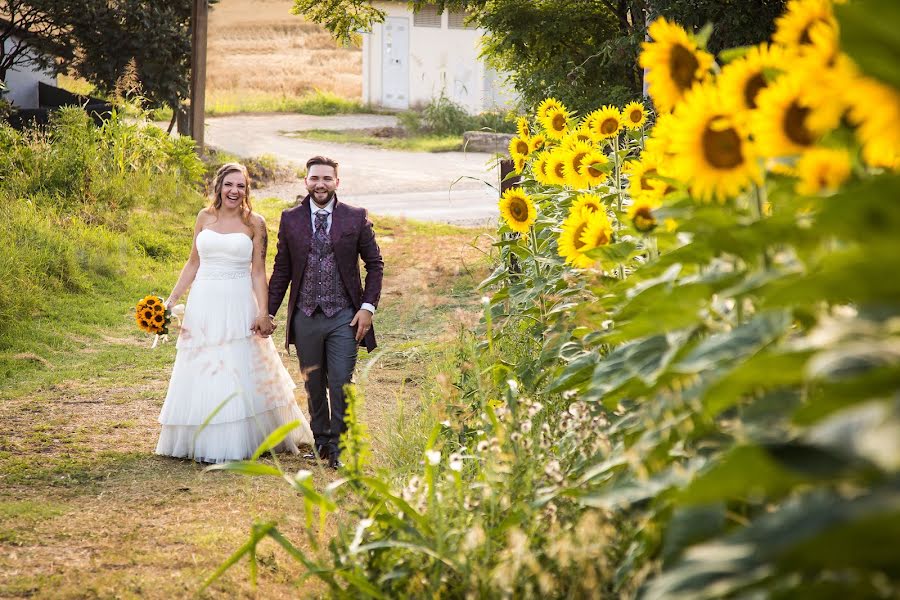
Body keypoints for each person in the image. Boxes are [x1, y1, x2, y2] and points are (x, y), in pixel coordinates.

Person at [155, 162, 314, 464]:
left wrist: (264, 312)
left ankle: (243, 437)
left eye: (241, 186)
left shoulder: (255, 222)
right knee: (202, 364)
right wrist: (171, 300)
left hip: (239, 299)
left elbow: (258, 272)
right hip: (204, 300)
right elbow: (193, 263)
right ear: (219, 186)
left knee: (238, 365)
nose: (234, 191)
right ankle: (199, 436)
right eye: (229, 184)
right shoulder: (204, 217)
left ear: (247, 190)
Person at [268, 155, 384, 469]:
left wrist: (367, 308)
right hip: (305, 315)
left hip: (344, 316)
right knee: (314, 384)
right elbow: (282, 271)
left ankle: (340, 448)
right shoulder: (290, 219)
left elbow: (374, 265)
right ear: (306, 181)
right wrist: (268, 312)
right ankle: (321, 441)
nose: (321, 184)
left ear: (336, 182)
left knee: (341, 382)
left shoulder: (355, 217)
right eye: (315, 178)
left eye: (327, 179)